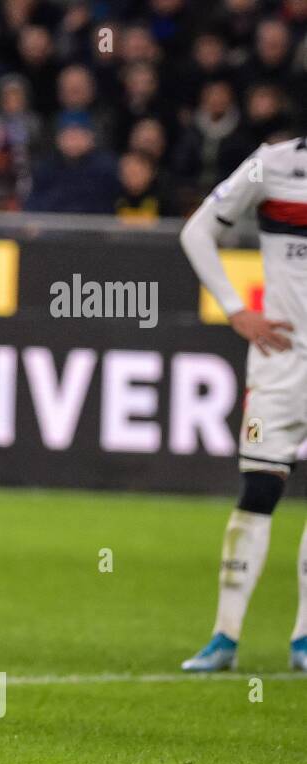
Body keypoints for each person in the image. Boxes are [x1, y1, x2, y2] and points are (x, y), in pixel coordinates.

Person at [178, 138, 307, 673]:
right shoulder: (272, 163)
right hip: (280, 362)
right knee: (257, 488)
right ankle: (224, 637)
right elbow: (197, 232)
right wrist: (236, 310)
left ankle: (303, 640)